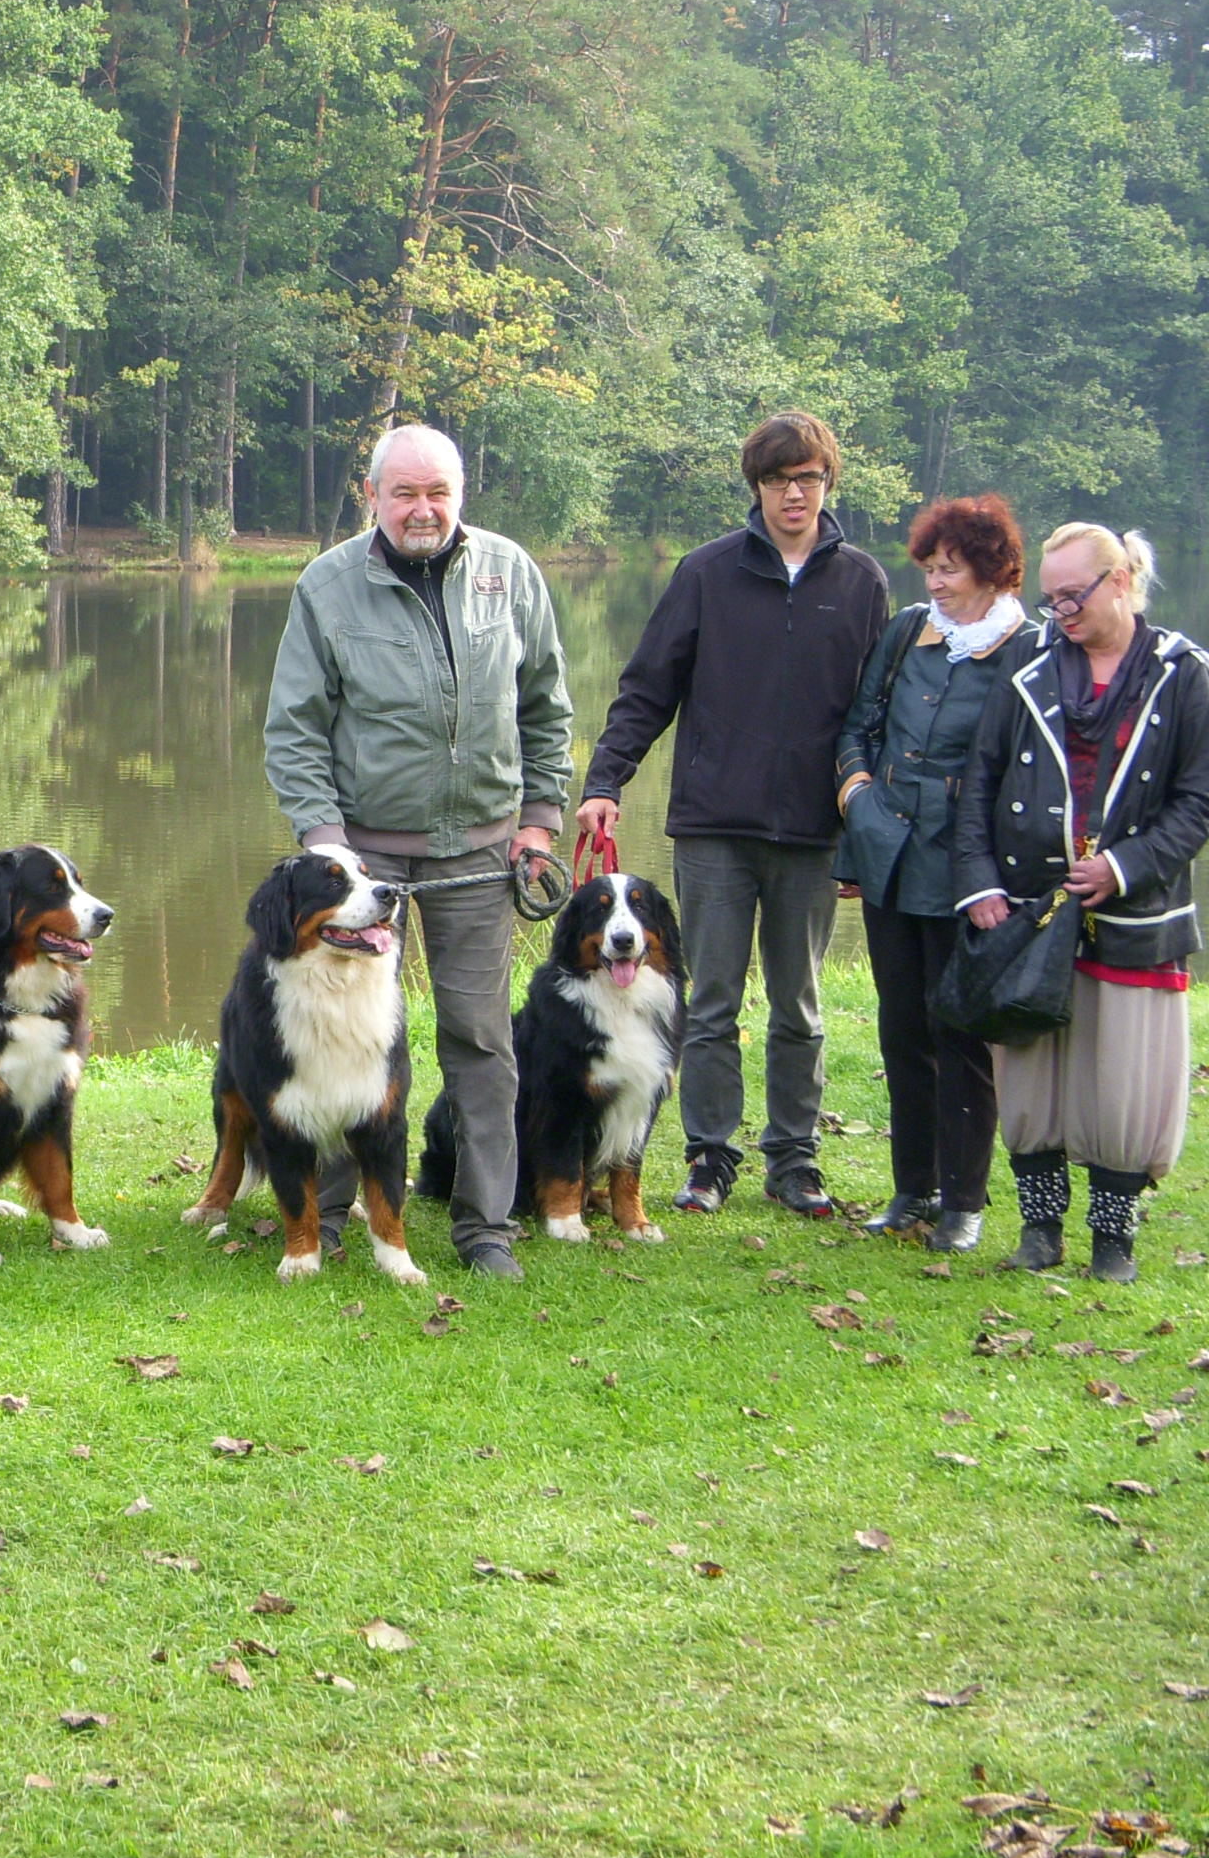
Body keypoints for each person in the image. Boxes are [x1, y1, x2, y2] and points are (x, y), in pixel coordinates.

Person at [263, 422, 574, 1279]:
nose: (423, 509)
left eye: (438, 492)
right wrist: (329, 846)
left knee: (480, 1039)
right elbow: (294, 732)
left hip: (481, 854)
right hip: (365, 860)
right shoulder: (326, 586)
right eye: (404, 493)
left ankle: (486, 1227)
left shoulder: (511, 574)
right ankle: (322, 1217)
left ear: (461, 493)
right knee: (342, 1043)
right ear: (373, 497)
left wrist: (540, 821)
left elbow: (546, 706)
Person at [578, 411, 891, 1219]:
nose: (797, 493)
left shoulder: (862, 582)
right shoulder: (707, 573)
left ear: (828, 483)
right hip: (717, 825)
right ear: (756, 487)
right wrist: (606, 779)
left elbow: (877, 717)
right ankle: (710, 1157)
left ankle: (795, 1161)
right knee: (708, 1000)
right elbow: (649, 686)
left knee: (801, 1006)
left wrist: (871, 831)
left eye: (810, 478)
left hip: (816, 834)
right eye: (781, 479)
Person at [952, 524, 1209, 1283]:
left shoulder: (1185, 674)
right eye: (1051, 597)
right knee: (1030, 1070)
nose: (1059, 610)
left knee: (1122, 1076)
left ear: (1121, 581)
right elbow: (981, 780)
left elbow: (1198, 801)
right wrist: (980, 885)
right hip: (1030, 909)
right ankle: (1039, 1232)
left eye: (1074, 595)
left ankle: (1113, 1242)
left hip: (1136, 911)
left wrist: (1126, 867)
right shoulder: (1029, 667)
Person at [833, 495, 1030, 1255]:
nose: (938, 583)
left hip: (969, 872)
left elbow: (1024, 766)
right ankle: (911, 1188)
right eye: (931, 568)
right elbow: (859, 728)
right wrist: (861, 804)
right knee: (901, 1027)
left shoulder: (1026, 647)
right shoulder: (907, 631)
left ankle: (964, 1202)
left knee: (960, 1034)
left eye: (950, 570)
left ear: (990, 570)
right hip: (888, 860)